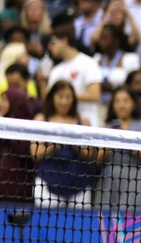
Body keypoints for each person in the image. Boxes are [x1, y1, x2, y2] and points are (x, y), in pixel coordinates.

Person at [30, 80, 98, 209]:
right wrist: (54, 145)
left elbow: (90, 155)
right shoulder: (40, 119)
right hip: (47, 185)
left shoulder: (83, 121)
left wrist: (74, 143)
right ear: (52, 97)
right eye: (60, 96)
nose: (64, 101)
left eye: (68, 97)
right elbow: (35, 154)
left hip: (79, 186)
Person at [96, 86, 141, 211]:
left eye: (125, 101)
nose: (121, 105)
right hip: (109, 177)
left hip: (135, 177)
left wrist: (126, 139)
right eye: (117, 101)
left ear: (134, 103)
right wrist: (112, 139)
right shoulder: (107, 127)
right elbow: (99, 159)